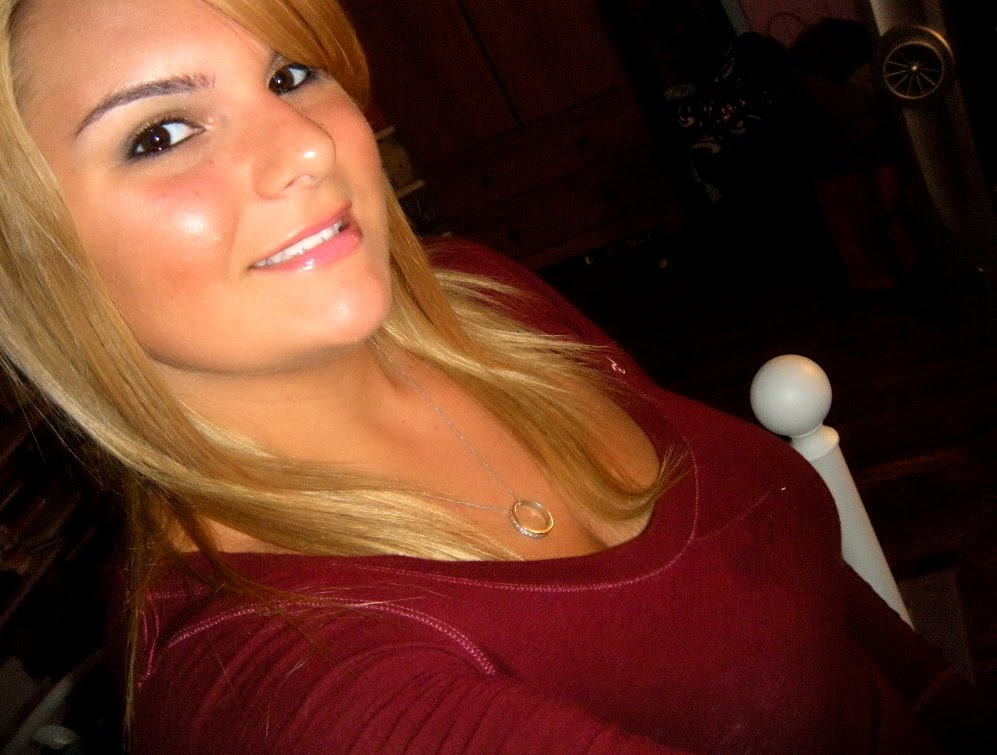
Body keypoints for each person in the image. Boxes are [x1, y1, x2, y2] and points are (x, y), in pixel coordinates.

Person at [0, 0, 992, 752]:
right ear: (27, 262)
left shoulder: (479, 301)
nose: (307, 145)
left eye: (291, 73)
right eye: (162, 134)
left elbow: (811, 592)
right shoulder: (283, 682)